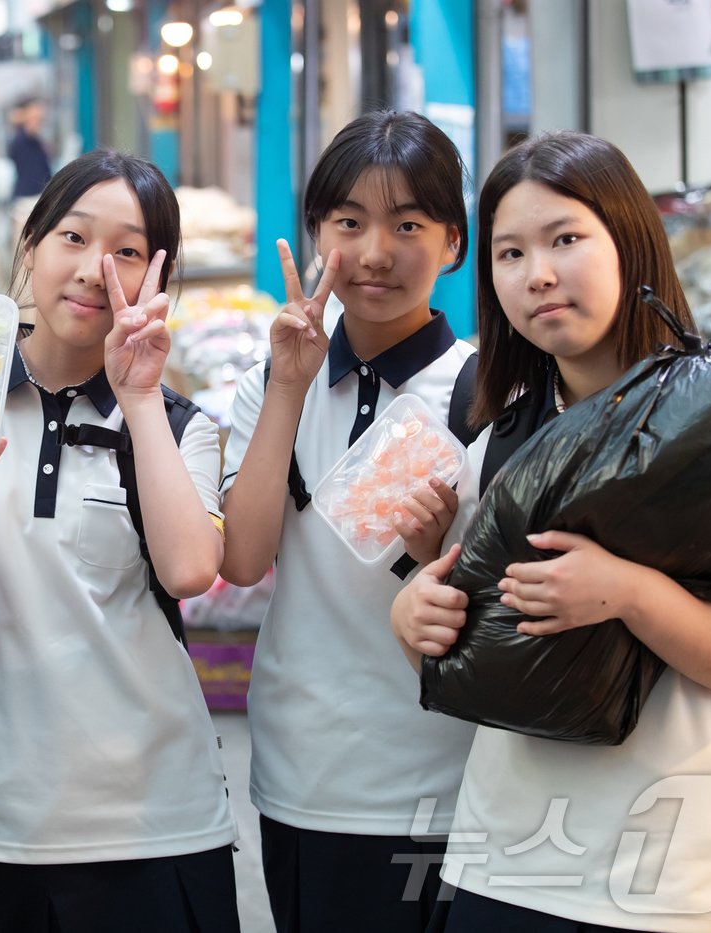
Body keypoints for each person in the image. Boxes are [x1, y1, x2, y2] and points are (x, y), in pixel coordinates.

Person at [390, 131, 711, 932]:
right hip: (508, 853)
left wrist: (629, 593)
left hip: (674, 868)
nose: (536, 273)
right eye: (509, 252)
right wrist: (413, 616)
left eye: (566, 238)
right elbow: (470, 656)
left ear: (629, 240)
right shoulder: (491, 442)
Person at [0, 149, 240, 933]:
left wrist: (139, 395)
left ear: (159, 277)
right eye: (74, 239)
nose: (94, 270)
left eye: (126, 251)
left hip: (157, 816)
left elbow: (190, 569)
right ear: (30, 248)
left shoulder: (180, 425)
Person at [218, 109, 478, 931]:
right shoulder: (273, 380)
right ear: (315, 234)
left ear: (453, 242)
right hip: (302, 772)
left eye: (407, 224)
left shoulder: (484, 394)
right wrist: (290, 385)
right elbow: (245, 558)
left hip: (440, 779)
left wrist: (438, 554)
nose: (373, 253)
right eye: (349, 222)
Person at [8, 97, 53, 199]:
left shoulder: (37, 141)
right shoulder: (20, 139)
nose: (38, 120)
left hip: (40, 194)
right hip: (27, 197)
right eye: (35, 117)